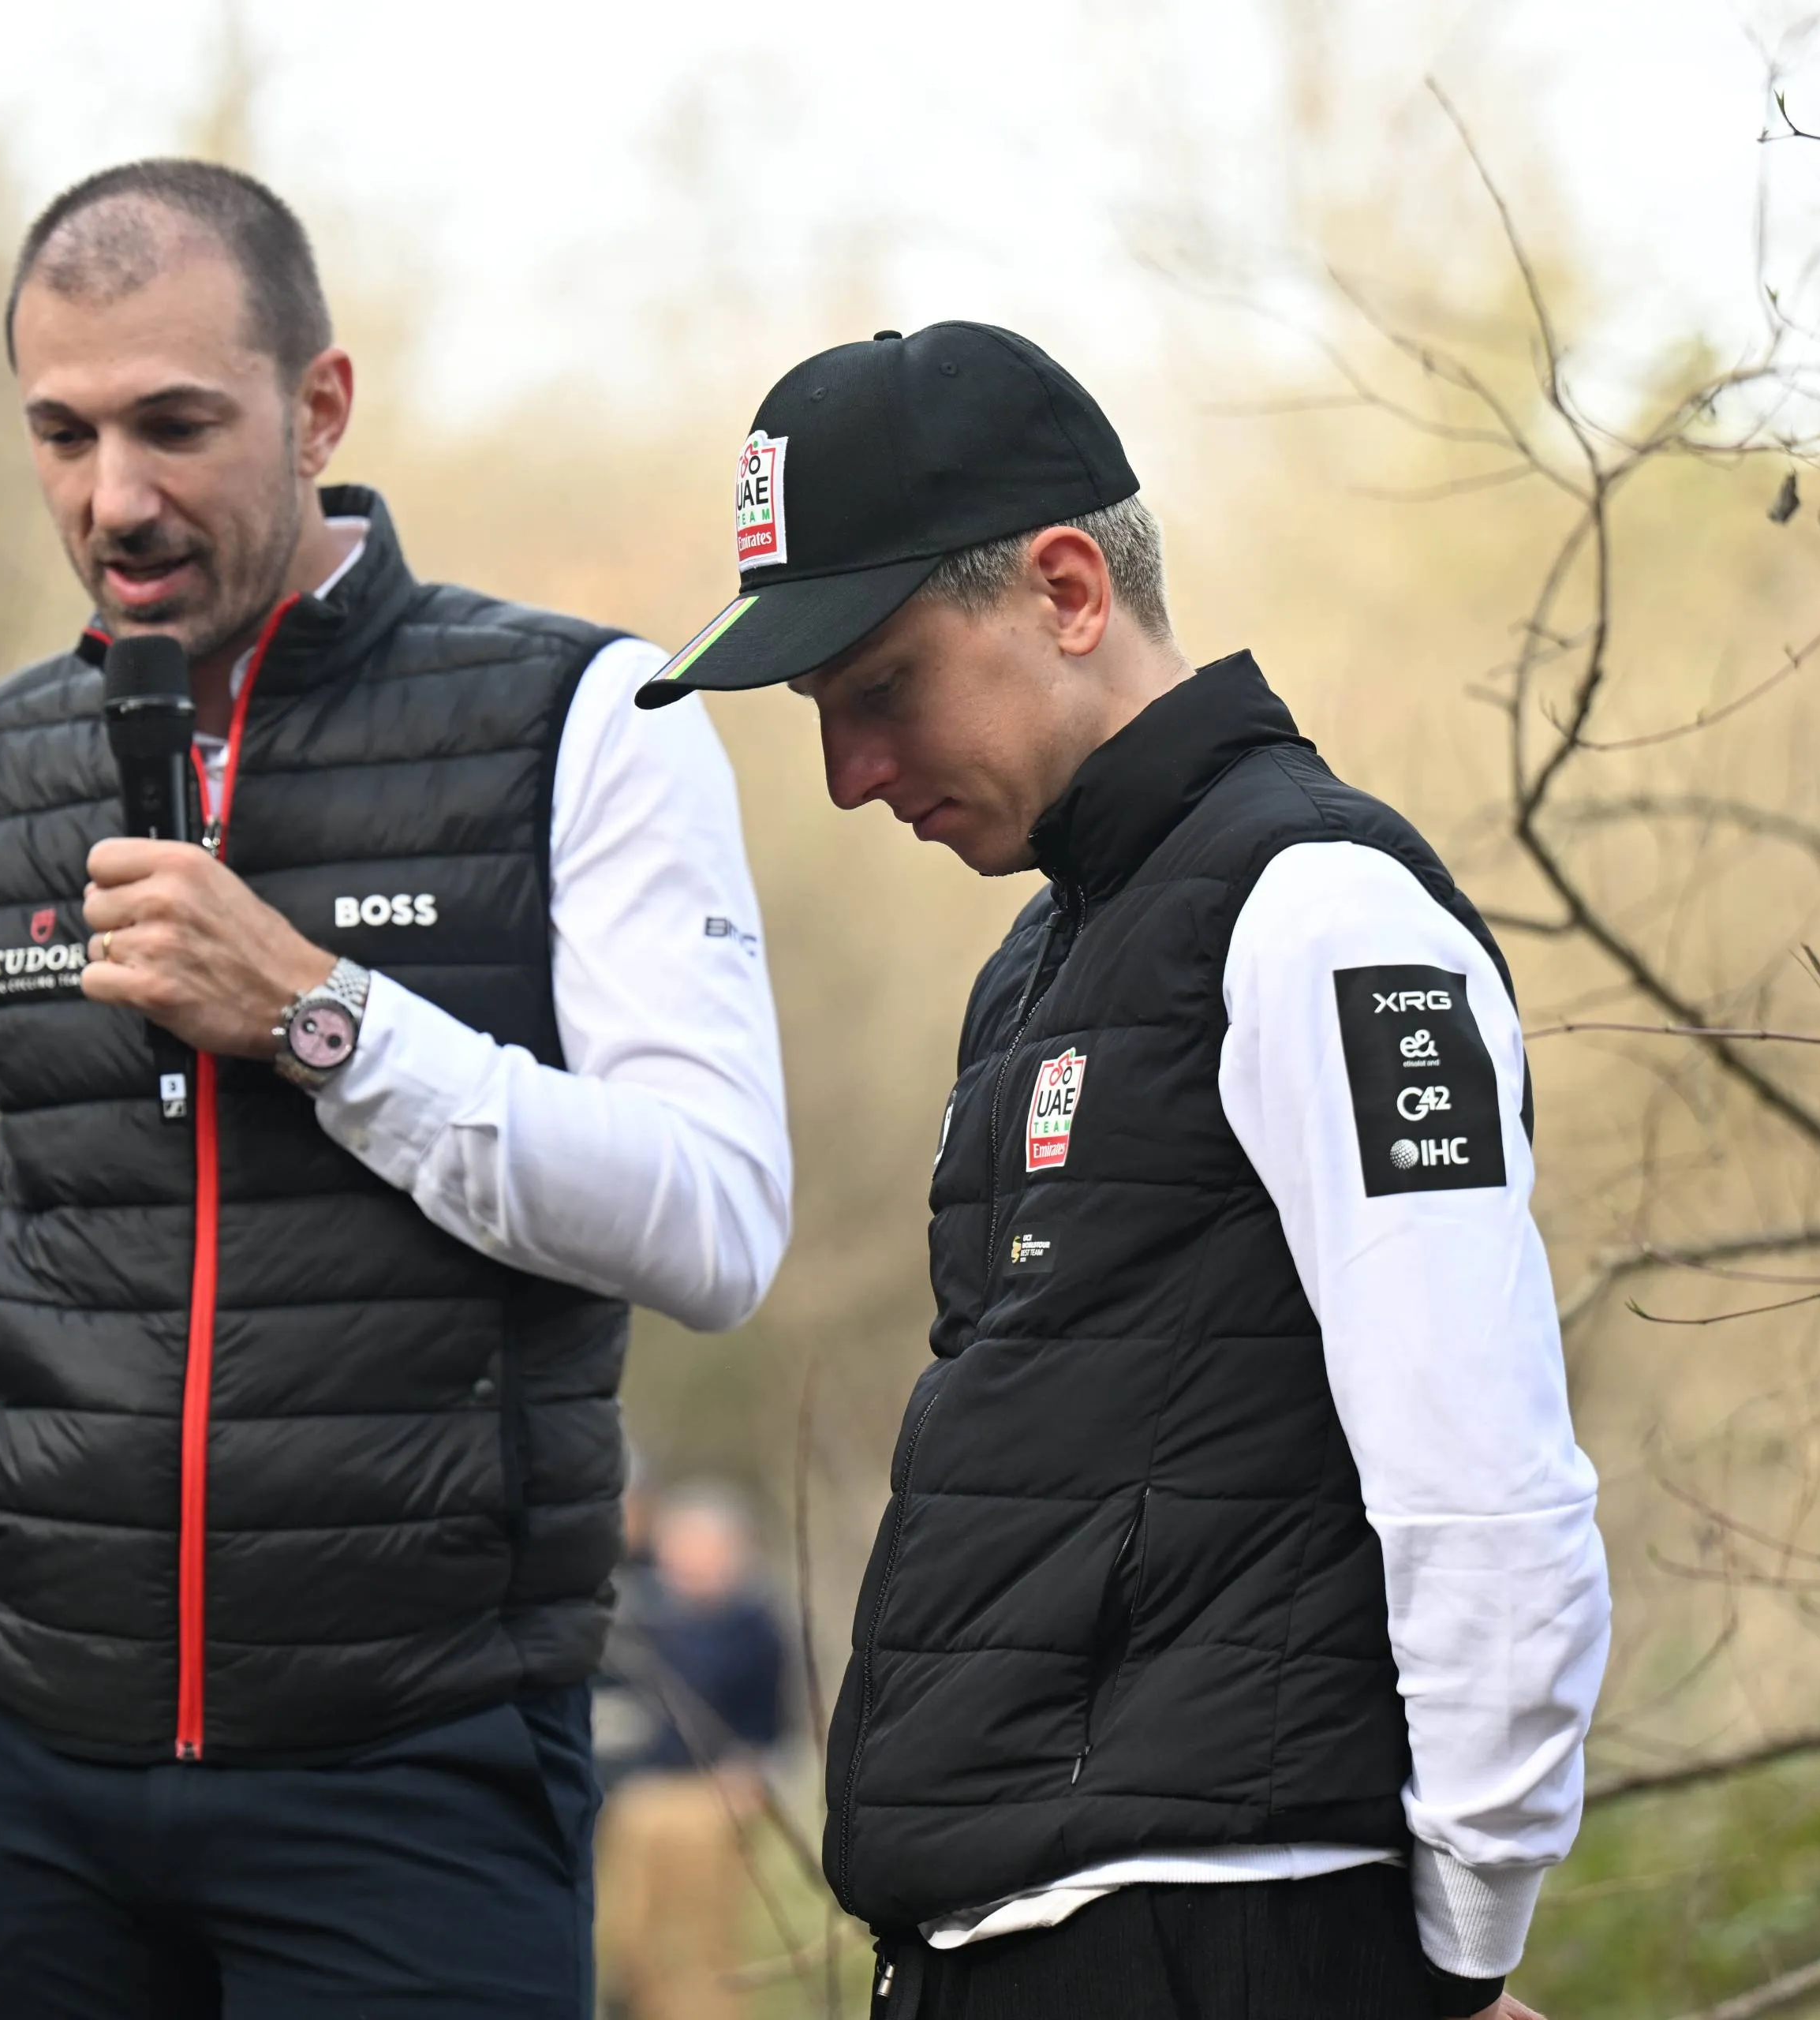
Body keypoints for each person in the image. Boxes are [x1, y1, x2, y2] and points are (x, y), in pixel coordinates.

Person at [0, 158, 791, 2018]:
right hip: (24, 1751)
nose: (116, 498)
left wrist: (327, 1016)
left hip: (412, 1763)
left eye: (177, 424)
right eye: (63, 431)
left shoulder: (588, 722)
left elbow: (716, 1220)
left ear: (319, 404)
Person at [638, 324, 1611, 2020]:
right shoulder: (1038, 961)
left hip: (1216, 1939)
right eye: (818, 713)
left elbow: (1485, 1477)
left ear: (1068, 590)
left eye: (880, 688)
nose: (849, 773)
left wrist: (1451, 1958)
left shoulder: (1324, 914)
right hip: (1018, 1947)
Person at [594, 1484, 790, 2020]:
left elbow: (772, 1722)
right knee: (626, 1933)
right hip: (638, 1796)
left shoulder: (754, 1627)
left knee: (701, 1942)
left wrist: (756, 1773)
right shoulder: (643, 1620)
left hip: (708, 1798)